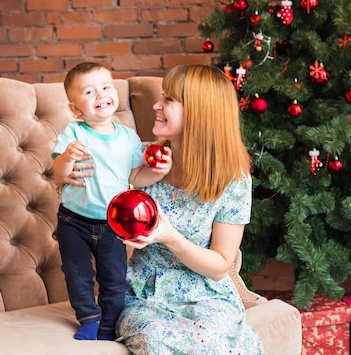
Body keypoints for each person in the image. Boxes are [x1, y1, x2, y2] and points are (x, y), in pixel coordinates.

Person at [65, 64, 264, 354]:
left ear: (199, 112)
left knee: (217, 342)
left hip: (207, 296)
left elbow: (221, 265)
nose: (156, 105)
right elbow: (86, 188)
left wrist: (169, 237)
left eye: (168, 99)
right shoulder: (138, 159)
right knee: (156, 340)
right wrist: (67, 171)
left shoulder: (232, 179)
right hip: (144, 294)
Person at [52, 62, 171, 341]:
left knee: (115, 278)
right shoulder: (74, 134)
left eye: (106, 87)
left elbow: (135, 178)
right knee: (76, 272)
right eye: (90, 92)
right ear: (75, 108)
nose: (101, 95)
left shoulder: (128, 137)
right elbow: (58, 174)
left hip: (112, 223)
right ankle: (89, 318)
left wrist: (158, 171)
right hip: (74, 219)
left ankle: (108, 324)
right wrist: (67, 158)